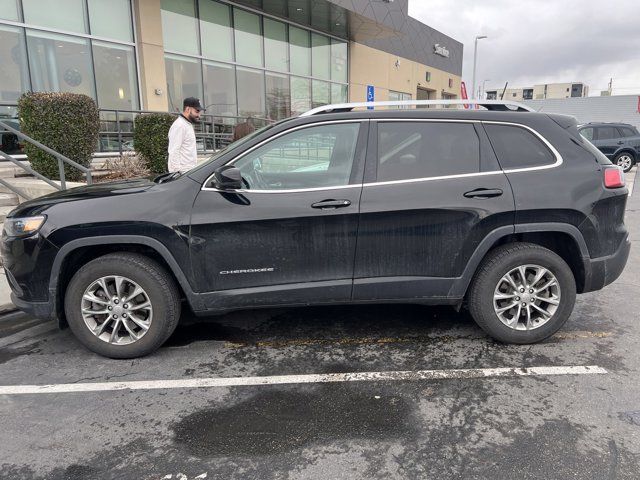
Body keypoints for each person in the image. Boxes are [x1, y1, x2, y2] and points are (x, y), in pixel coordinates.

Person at [168, 97, 204, 173]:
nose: (199, 115)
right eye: (197, 111)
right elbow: (173, 151)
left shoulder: (187, 124)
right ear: (188, 109)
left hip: (189, 171)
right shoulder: (179, 125)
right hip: (182, 173)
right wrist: (176, 173)